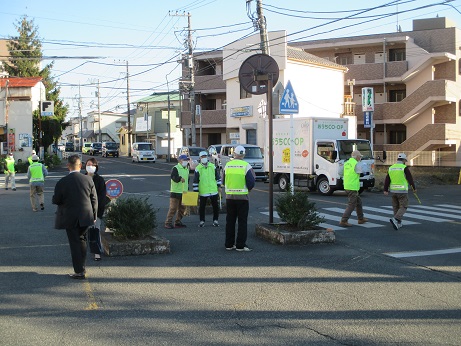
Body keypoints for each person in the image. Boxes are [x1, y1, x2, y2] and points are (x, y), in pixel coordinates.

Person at [52, 155, 98, 280]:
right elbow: (94, 199)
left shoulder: (62, 182)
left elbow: (56, 200)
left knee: (74, 243)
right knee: (82, 240)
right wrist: (94, 215)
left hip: (69, 216)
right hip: (86, 216)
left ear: (68, 166)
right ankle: (82, 267)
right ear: (80, 166)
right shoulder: (88, 180)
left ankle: (79, 271)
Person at [222, 145, 255, 252]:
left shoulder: (227, 165)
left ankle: (229, 244)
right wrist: (249, 189)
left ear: (234, 154)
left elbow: (222, 181)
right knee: (242, 222)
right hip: (242, 198)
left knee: (230, 221)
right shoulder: (246, 166)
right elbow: (251, 182)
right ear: (243, 154)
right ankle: (240, 245)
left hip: (230, 197)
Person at [384, 153, 416, 230]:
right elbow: (410, 179)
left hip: (393, 191)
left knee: (396, 207)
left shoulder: (391, 168)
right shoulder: (404, 168)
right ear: (404, 160)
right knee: (403, 206)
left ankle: (398, 223)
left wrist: (385, 189)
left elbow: (387, 179)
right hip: (402, 191)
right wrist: (414, 188)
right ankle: (396, 219)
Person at [85, 158, 107, 261]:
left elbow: (102, 198)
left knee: (95, 230)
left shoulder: (99, 180)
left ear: (96, 167)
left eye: (92, 165)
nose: (89, 166)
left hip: (95, 210)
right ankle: (83, 250)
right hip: (83, 209)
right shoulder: (82, 178)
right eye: (88, 164)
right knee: (83, 232)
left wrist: (98, 211)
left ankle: (97, 252)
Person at [339, 150, 368, 227]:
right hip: (353, 187)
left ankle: (361, 218)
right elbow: (361, 172)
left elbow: (340, 173)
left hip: (347, 185)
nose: (360, 158)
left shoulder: (346, 163)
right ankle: (344, 220)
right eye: (360, 156)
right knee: (352, 204)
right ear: (357, 157)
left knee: (358, 202)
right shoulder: (356, 164)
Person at [193, 150, 221, 227]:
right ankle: (202, 221)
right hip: (203, 191)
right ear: (200, 158)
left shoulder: (212, 166)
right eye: (202, 157)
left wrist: (219, 187)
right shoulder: (198, 168)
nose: (204, 158)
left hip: (213, 190)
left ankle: (215, 220)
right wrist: (196, 192)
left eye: (205, 156)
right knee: (202, 207)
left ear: (207, 157)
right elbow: (195, 181)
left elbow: (218, 177)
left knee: (215, 206)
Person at [164, 154, 190, 229]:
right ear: (180, 160)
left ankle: (178, 222)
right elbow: (173, 177)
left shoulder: (186, 169)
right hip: (175, 192)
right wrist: (179, 178)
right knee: (173, 208)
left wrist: (187, 189)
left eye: (187, 160)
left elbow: (187, 181)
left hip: (184, 192)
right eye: (184, 160)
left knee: (182, 209)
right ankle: (168, 222)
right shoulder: (176, 168)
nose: (186, 161)